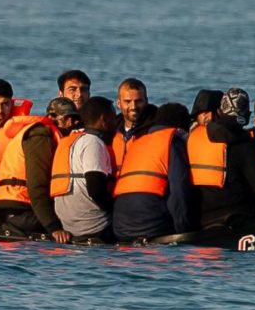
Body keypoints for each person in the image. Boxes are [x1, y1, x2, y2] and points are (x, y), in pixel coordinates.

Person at [189, 88, 255, 229]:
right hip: (238, 219)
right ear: (247, 116)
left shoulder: (193, 138)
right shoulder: (246, 144)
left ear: (219, 112)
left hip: (203, 221)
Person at [0, 97, 75, 243]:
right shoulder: (40, 137)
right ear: (51, 118)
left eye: (74, 118)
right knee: (72, 226)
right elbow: (37, 187)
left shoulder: (42, 134)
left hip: (12, 204)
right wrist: (54, 227)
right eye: (67, 118)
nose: (72, 123)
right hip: (19, 206)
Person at [111, 102, 197, 241]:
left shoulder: (137, 143)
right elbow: (179, 190)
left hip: (120, 229)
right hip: (153, 229)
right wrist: (185, 229)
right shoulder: (173, 141)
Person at [51, 96, 117, 242]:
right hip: (95, 226)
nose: (116, 123)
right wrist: (116, 209)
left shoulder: (69, 141)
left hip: (68, 225)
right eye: (114, 118)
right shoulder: (93, 142)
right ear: (104, 120)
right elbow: (95, 189)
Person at [111, 77, 158, 168]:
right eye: (127, 101)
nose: (133, 107)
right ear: (118, 103)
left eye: (138, 101)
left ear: (146, 101)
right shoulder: (111, 129)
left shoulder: (157, 128)